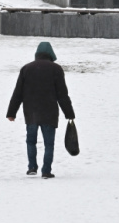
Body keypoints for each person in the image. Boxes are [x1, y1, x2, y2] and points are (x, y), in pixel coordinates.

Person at [6, 41, 75, 179]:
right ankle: (46, 171)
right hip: (49, 112)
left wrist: (11, 112)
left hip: (31, 112)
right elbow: (62, 94)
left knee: (31, 141)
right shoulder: (56, 69)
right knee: (49, 143)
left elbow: (17, 93)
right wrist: (69, 113)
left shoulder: (26, 69)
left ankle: (32, 167)